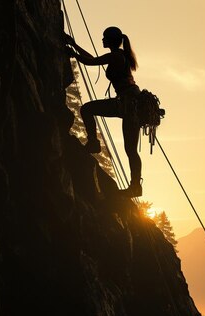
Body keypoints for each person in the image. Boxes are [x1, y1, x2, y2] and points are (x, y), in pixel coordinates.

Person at [65, 27, 142, 197]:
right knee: (131, 149)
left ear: (110, 40)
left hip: (126, 103)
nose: (101, 40)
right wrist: (75, 46)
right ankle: (135, 186)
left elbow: (91, 62)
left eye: (104, 38)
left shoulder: (115, 55)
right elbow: (93, 59)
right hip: (131, 104)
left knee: (87, 109)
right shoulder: (120, 55)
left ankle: (93, 142)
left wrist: (73, 52)